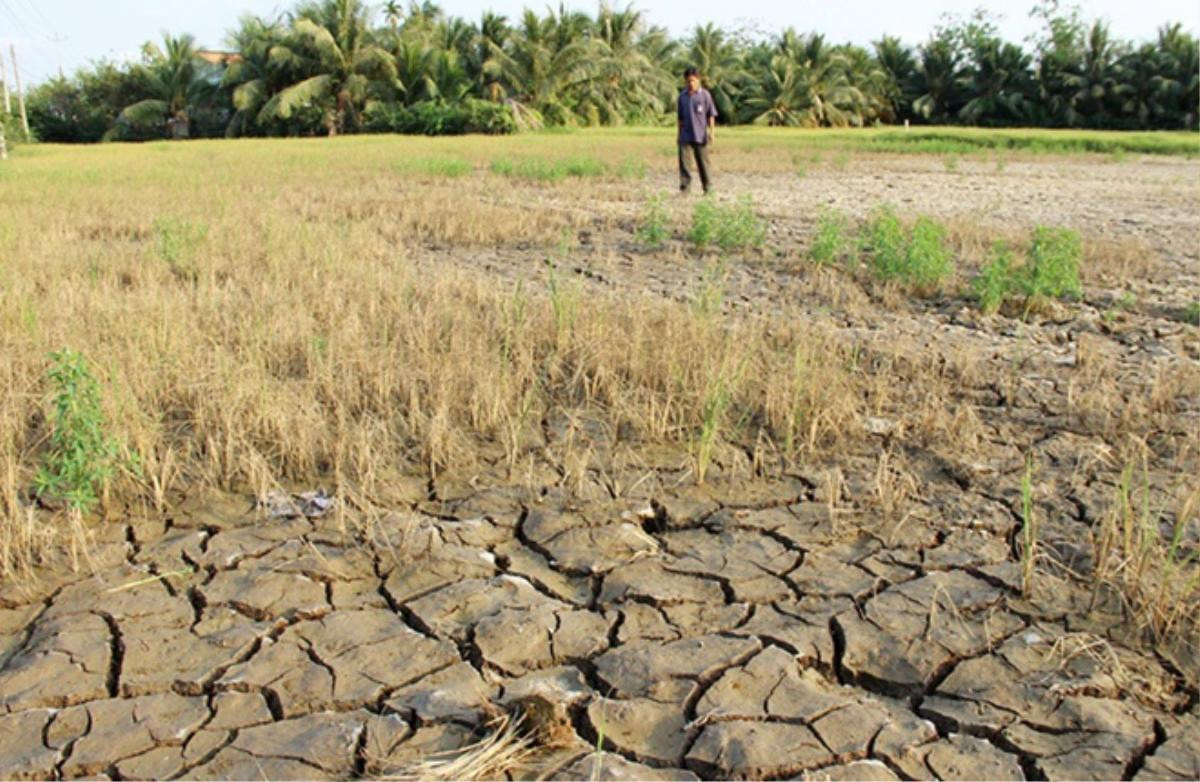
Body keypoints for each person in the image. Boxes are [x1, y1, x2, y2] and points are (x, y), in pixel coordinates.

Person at [677, 66, 717, 195]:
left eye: (693, 81)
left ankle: (708, 189)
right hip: (685, 136)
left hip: (700, 135)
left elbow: (710, 115)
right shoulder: (682, 97)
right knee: (684, 165)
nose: (691, 83)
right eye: (688, 81)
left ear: (698, 80)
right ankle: (685, 189)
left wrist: (712, 132)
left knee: (703, 164)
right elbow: (680, 119)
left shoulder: (705, 95)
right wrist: (678, 135)